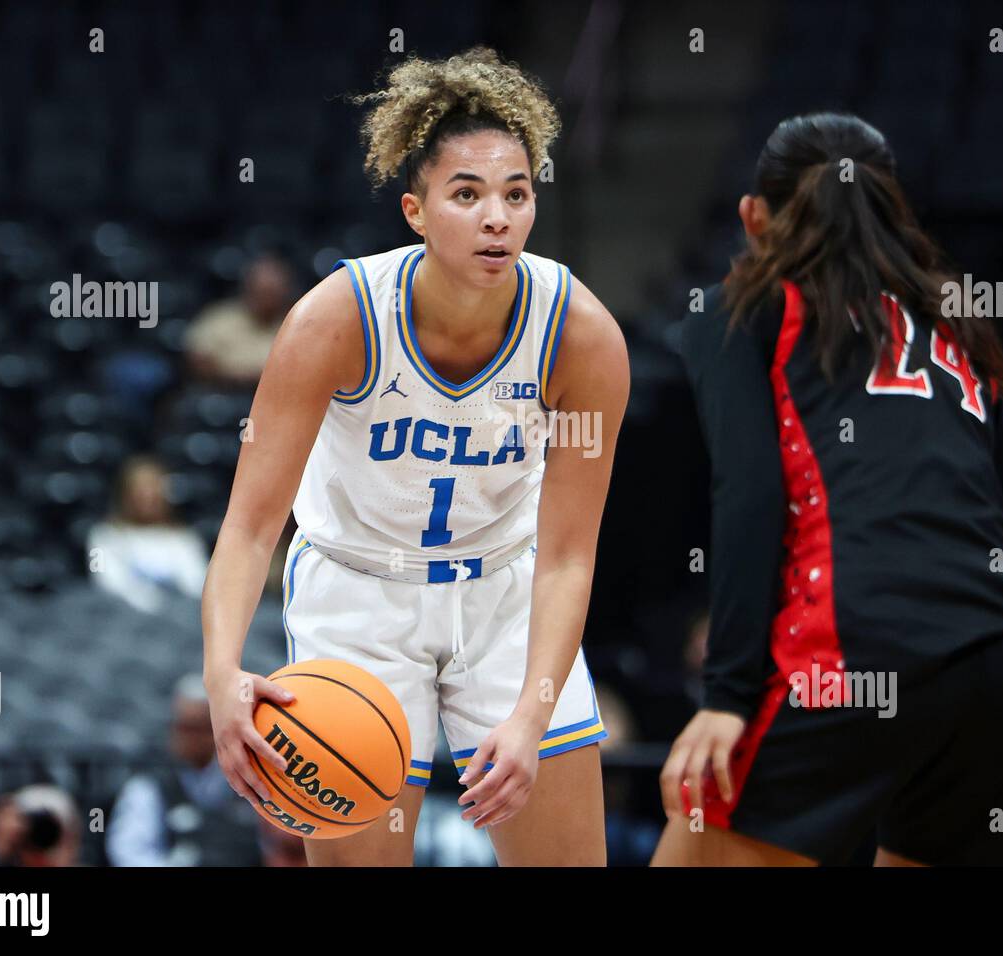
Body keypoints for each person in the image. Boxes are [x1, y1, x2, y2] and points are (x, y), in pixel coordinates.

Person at [201, 47, 629, 866]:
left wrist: (533, 715)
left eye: (516, 194)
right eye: (466, 195)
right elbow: (251, 528)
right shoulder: (335, 320)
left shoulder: (581, 334)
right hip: (359, 596)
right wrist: (223, 674)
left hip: (504, 591)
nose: (497, 217)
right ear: (416, 211)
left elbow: (570, 553)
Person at [653, 113, 1003, 867]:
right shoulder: (954, 323)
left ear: (753, 217)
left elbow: (749, 496)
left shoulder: (741, 308)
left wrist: (726, 696)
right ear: (888, 211)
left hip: (858, 637)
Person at [106, 674, 261, 867]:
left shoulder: (246, 776)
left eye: (196, 728)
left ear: (216, 728)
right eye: (180, 727)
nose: (185, 738)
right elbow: (130, 853)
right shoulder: (150, 786)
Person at [87, 455, 210, 614]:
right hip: (120, 621)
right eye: (140, 490)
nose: (148, 497)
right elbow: (105, 583)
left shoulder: (185, 538)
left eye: (153, 489)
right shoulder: (102, 537)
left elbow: (197, 584)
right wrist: (150, 600)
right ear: (125, 493)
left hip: (177, 619)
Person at [184, 254, 295, 386]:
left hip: (280, 394)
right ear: (248, 288)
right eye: (261, 292)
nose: (266, 300)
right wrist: (241, 377)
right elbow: (197, 361)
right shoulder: (220, 317)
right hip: (225, 393)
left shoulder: (296, 325)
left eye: (272, 293)